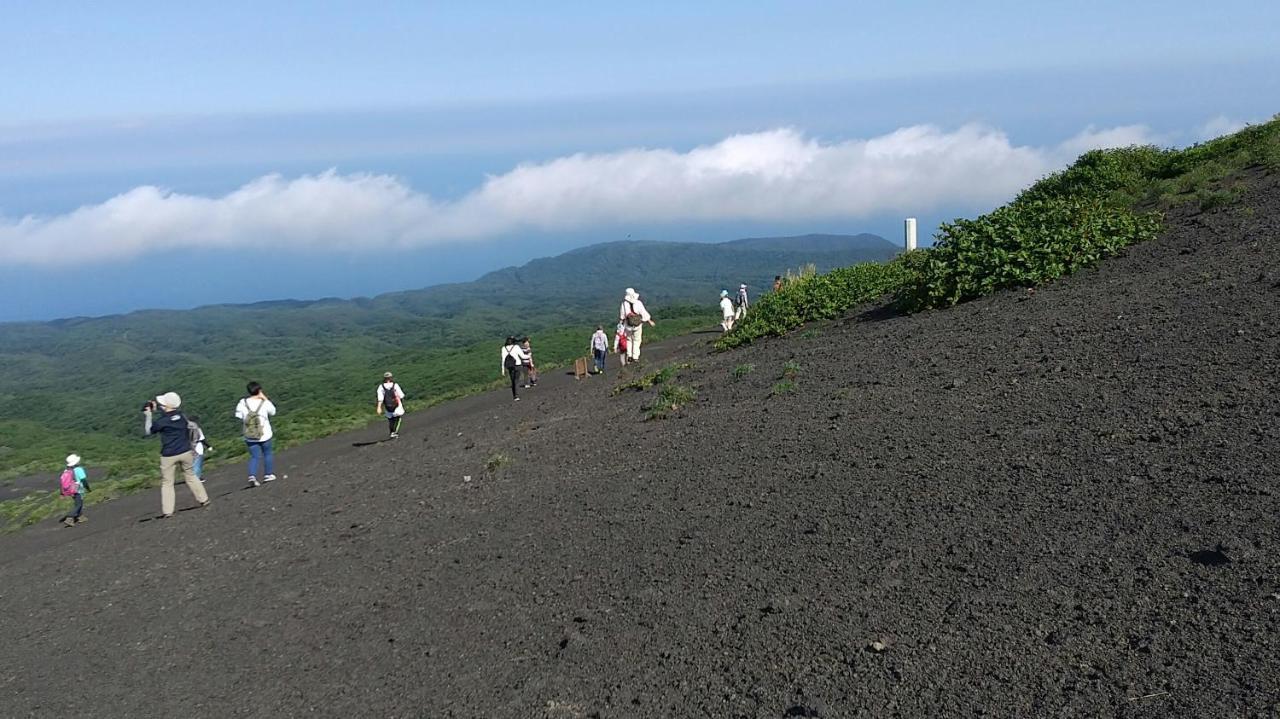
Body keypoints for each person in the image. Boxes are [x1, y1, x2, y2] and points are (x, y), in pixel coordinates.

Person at [143, 392, 210, 517]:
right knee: (191, 476)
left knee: (167, 483)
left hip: (168, 455)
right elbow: (173, 418)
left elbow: (149, 431)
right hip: (186, 451)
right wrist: (161, 410)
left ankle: (168, 511)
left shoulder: (162, 421)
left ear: (166, 405)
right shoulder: (182, 416)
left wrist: (148, 415)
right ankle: (204, 499)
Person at [235, 382, 277, 487]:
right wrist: (265, 398)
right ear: (259, 390)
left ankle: (252, 476)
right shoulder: (264, 402)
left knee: (254, 456)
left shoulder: (242, 402)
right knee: (267, 453)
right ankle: (268, 475)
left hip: (250, 435)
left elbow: (239, 416)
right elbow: (273, 412)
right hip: (265, 434)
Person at [619, 288, 656, 364]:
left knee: (629, 340)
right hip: (637, 325)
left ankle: (629, 355)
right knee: (637, 340)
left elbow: (622, 316)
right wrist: (649, 321)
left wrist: (621, 325)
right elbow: (644, 313)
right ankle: (635, 357)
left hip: (628, 325)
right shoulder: (638, 303)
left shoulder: (624, 304)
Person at [58, 453, 90, 527]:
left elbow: (62, 481)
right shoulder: (79, 469)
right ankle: (70, 518)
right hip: (78, 489)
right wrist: (87, 488)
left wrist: (62, 493)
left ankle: (80, 517)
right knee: (79, 504)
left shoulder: (67, 470)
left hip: (71, 490)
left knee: (77, 503)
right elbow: (83, 480)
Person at [376, 372, 406, 439]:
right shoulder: (395, 385)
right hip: (396, 405)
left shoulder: (381, 387)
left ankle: (392, 432)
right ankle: (394, 432)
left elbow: (380, 398)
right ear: (391, 378)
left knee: (391, 420)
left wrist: (379, 407)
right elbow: (401, 395)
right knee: (398, 419)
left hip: (387, 406)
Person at [500, 337, 528, 401]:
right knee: (516, 380)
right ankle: (516, 395)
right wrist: (529, 356)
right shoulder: (516, 347)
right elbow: (523, 356)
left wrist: (503, 370)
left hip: (510, 366)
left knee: (513, 381)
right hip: (518, 365)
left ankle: (515, 396)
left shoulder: (503, 348)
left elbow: (503, 360)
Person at [187, 414, 213, 482]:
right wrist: (209, 446)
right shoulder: (197, 429)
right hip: (197, 446)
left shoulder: (186, 428)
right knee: (198, 462)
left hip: (188, 447)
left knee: (192, 463)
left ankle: (193, 477)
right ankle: (197, 477)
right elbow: (202, 439)